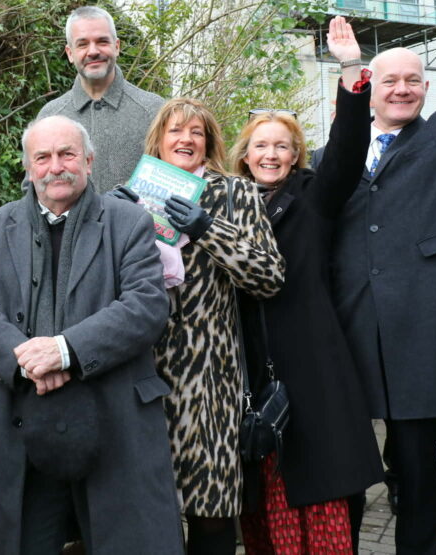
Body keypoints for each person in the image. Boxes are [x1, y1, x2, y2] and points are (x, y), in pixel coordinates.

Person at [0, 115, 183, 554]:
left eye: (67, 154)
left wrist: (65, 351)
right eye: (42, 157)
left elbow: (146, 305)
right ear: (28, 168)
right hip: (21, 417)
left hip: (114, 419)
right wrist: (29, 360)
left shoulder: (130, 222)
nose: (55, 167)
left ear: (89, 161)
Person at [318, 0, 436, 555]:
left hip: (421, 337)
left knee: (415, 466)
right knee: (349, 468)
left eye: (413, 80)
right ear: (371, 86)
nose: (402, 89)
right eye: (390, 80)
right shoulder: (334, 154)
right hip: (352, 333)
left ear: (427, 88)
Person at [228, 17, 384, 553]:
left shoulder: (315, 196)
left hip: (312, 366)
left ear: (296, 155)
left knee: (317, 485)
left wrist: (350, 69)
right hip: (250, 366)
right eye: (261, 146)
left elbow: (346, 149)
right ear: (245, 155)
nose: (270, 155)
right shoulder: (227, 204)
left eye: (282, 146)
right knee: (264, 494)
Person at [144, 98, 285, 554]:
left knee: (211, 512)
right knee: (151, 512)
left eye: (196, 132)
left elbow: (269, 277)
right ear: (159, 141)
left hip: (212, 379)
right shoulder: (135, 192)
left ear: (209, 143)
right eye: (175, 131)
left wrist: (208, 228)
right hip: (145, 379)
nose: (185, 139)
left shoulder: (236, 194)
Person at [36, 5, 165, 192]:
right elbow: (35, 190)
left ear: (117, 46)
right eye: (82, 44)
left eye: (102, 41)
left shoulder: (154, 111)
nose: (93, 51)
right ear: (70, 53)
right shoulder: (50, 117)